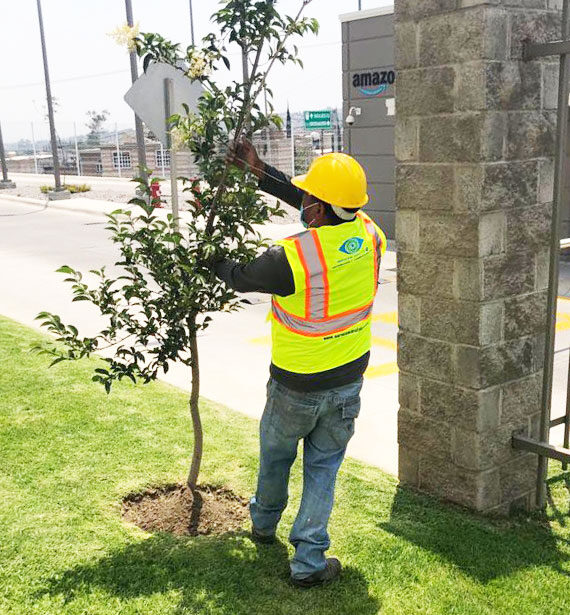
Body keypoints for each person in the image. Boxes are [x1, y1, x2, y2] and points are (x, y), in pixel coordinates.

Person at [214, 138, 386, 588]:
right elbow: (322, 201)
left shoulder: (289, 259)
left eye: (309, 196)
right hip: (348, 382)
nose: (303, 199)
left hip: (294, 387)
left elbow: (236, 276)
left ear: (319, 208)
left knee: (275, 457)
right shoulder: (370, 233)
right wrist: (261, 172)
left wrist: (207, 258)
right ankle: (309, 562)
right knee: (323, 470)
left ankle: (263, 525)